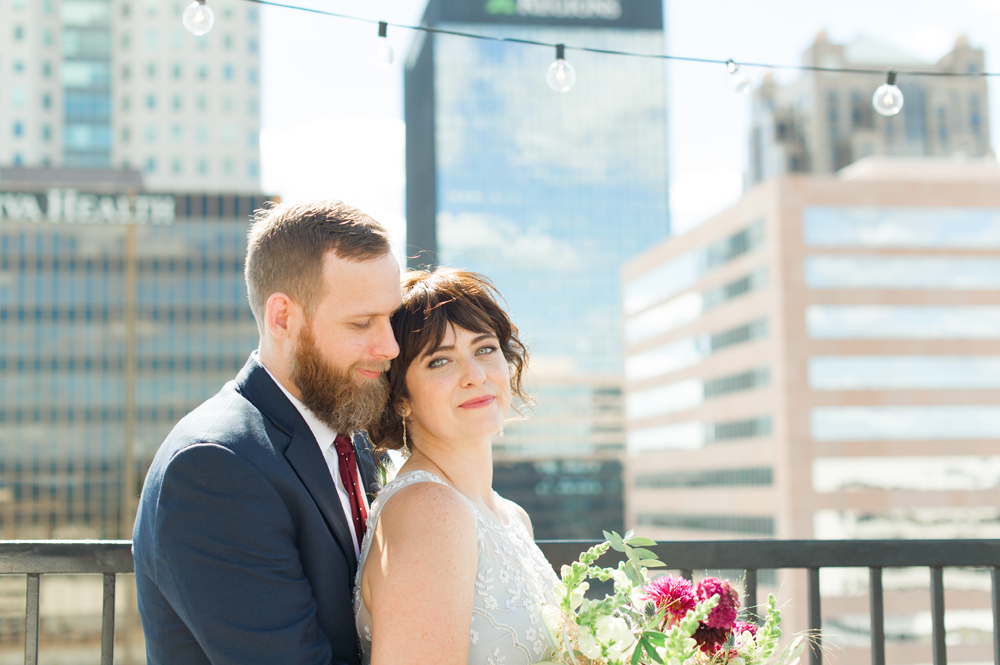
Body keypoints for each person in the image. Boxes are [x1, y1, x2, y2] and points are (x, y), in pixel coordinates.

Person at [132, 199, 402, 665]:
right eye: (362, 323)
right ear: (282, 318)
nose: (390, 346)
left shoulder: (349, 435)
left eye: (391, 319)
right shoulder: (213, 467)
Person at [355, 267, 559, 665]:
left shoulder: (514, 517)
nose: (475, 376)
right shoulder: (429, 510)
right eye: (439, 361)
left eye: (484, 349)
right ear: (400, 400)